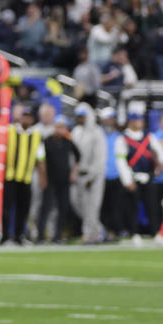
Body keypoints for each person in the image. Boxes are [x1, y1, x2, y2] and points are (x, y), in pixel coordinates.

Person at [115, 109, 163, 243]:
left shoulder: (149, 136)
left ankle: (156, 232)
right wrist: (127, 180)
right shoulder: (123, 138)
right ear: (131, 122)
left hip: (148, 176)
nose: (140, 123)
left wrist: (159, 166)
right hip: (133, 176)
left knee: (152, 205)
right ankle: (134, 233)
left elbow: (159, 152)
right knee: (133, 207)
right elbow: (121, 161)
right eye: (137, 120)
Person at [3, 105, 46, 244]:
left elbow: (40, 158)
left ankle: (19, 236)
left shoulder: (36, 135)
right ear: (19, 118)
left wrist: (42, 177)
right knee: (7, 208)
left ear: (32, 119)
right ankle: (5, 236)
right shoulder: (9, 131)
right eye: (24, 116)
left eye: (29, 117)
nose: (26, 119)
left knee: (23, 209)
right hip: (10, 176)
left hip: (26, 177)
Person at [37, 116, 80, 242]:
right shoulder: (47, 141)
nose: (59, 130)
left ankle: (57, 235)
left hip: (64, 180)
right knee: (46, 207)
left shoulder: (68, 142)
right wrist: (42, 178)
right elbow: (40, 160)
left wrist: (74, 173)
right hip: (50, 179)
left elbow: (78, 157)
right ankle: (40, 236)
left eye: (62, 127)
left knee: (63, 207)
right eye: (58, 127)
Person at [71, 103, 106, 244]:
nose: (79, 119)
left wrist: (91, 175)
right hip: (79, 174)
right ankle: (99, 230)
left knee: (92, 206)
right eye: (78, 116)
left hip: (94, 176)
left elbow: (99, 157)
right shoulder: (76, 132)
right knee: (77, 204)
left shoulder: (97, 132)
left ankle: (88, 234)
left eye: (82, 116)